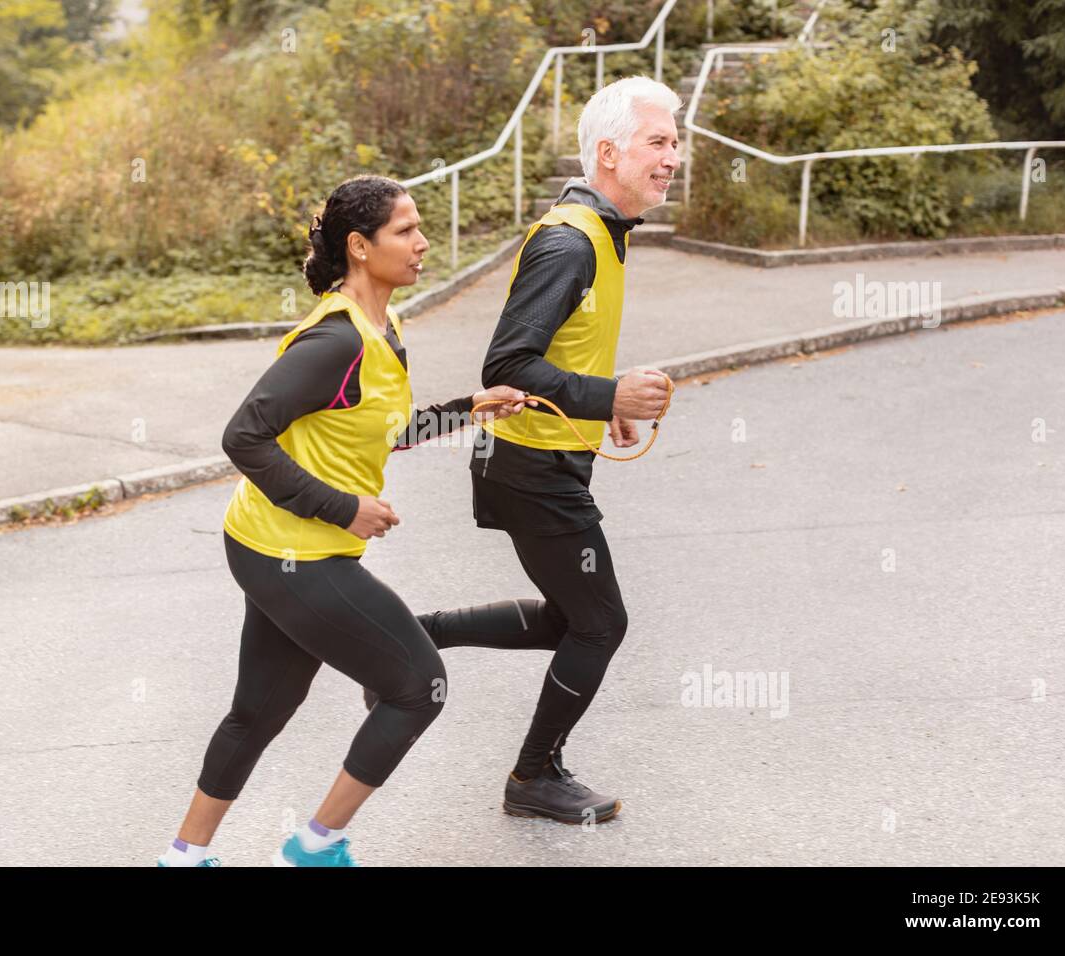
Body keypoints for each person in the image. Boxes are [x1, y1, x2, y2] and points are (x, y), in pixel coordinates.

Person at [157, 174, 532, 867]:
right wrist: (343, 508)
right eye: (405, 231)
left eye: (419, 228)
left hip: (272, 544)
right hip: (293, 552)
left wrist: (470, 407)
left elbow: (383, 427)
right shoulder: (337, 341)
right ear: (360, 247)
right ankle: (312, 848)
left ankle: (184, 857)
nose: (423, 243)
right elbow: (244, 436)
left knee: (260, 711)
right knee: (418, 686)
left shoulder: (385, 328)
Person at [364, 76, 679, 825]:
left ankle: (413, 637)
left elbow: (557, 351)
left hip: (545, 457)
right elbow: (506, 366)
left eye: (676, 141)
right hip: (529, 470)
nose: (675, 156)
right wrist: (609, 396)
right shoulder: (571, 241)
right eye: (659, 141)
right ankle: (532, 777)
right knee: (601, 624)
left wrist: (600, 405)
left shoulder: (602, 232)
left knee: (571, 619)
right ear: (609, 153)